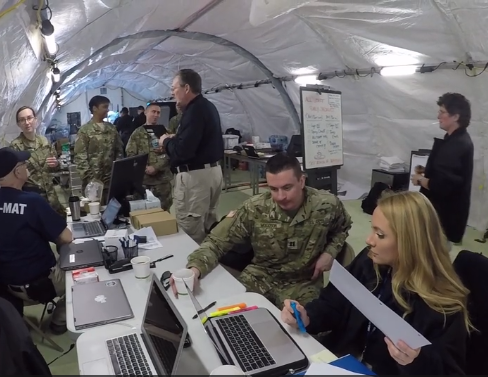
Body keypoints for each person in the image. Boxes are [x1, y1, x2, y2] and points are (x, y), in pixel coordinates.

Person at [281, 191, 471, 375]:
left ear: (409, 243)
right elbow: (334, 302)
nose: (369, 240)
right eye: (372, 229)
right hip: (341, 360)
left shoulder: (443, 304)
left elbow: (449, 370)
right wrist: (308, 316)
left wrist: (418, 361)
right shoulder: (370, 261)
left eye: (380, 235)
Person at [170, 153, 352, 307]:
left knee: (310, 333)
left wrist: (330, 252)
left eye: (287, 188)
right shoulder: (255, 208)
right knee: (231, 317)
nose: (280, 196)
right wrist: (194, 269)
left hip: (303, 282)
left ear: (302, 181)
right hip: (260, 276)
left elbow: (342, 228)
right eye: (273, 189)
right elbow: (216, 242)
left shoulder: (326, 205)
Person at [0, 147, 73, 334]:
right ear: (17, 171)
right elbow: (67, 237)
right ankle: (60, 318)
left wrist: (3, 233)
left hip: (9, 287)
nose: (27, 167)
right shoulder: (32, 202)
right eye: (24, 164)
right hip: (43, 285)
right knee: (84, 270)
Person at [159, 69, 224, 244]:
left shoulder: (194, 112)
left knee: (190, 229)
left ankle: (193, 269)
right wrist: (177, 138)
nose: (172, 92)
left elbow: (182, 152)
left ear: (186, 88)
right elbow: (198, 140)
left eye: (174, 88)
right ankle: (210, 263)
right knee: (209, 225)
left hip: (195, 178)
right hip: (212, 173)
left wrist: (165, 142)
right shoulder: (207, 106)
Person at [412, 92, 474, 248]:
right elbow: (449, 173)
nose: (438, 115)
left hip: (443, 215)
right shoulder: (455, 139)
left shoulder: (457, 144)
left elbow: (442, 185)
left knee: (434, 255)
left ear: (455, 117)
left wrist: (419, 179)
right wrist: (428, 170)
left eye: (442, 112)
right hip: (445, 214)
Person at [9, 106, 65, 216]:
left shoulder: (44, 141)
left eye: (29, 118)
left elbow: (54, 166)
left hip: (51, 197)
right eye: (22, 120)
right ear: (18, 124)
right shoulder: (15, 147)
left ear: (36, 120)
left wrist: (56, 163)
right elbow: (14, 177)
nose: (27, 122)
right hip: (32, 199)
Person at [74, 95, 124, 204]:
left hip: (111, 180)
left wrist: (117, 173)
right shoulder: (85, 131)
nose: (107, 110)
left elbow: (119, 151)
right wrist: (91, 180)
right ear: (94, 108)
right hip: (92, 182)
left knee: (112, 210)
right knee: (94, 212)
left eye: (107, 107)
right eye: (104, 107)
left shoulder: (111, 128)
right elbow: (80, 158)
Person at [125, 103, 173, 211]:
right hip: (144, 182)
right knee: (145, 213)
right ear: (146, 112)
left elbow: (171, 153)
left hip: (162, 182)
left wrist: (157, 167)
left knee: (164, 212)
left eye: (158, 113)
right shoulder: (137, 133)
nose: (156, 115)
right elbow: (131, 154)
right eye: (153, 112)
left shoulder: (165, 132)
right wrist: (144, 167)